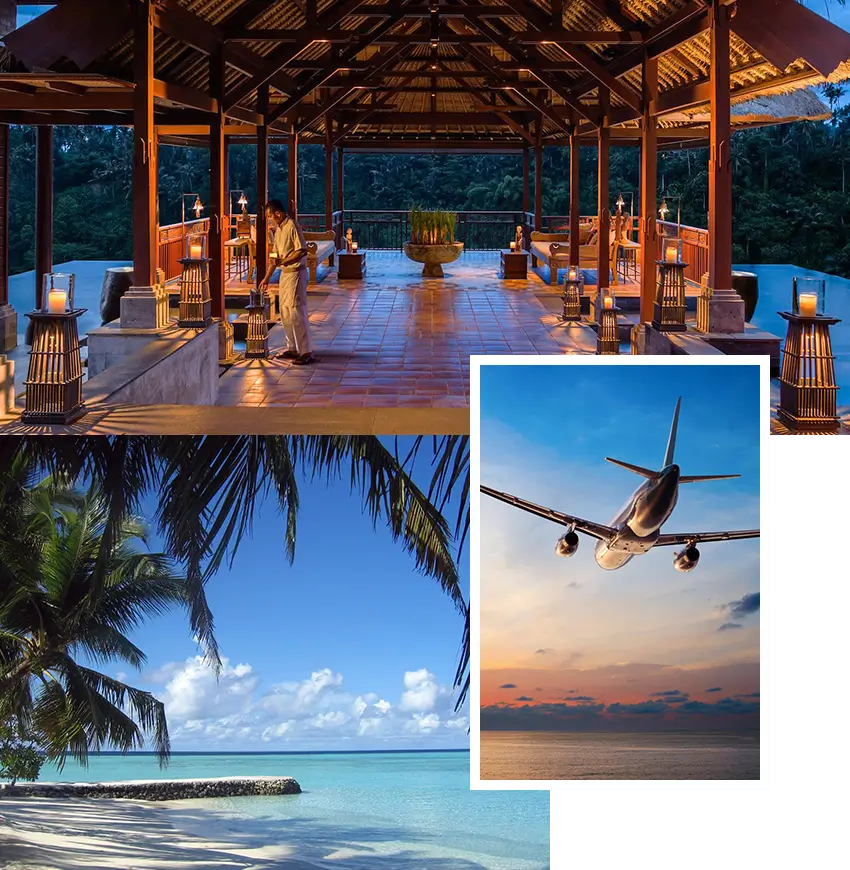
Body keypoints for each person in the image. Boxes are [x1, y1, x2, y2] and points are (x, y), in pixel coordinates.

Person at [259, 199, 314, 365]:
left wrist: (285, 262)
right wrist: (266, 278)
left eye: (270, 217)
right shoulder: (278, 230)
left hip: (296, 274)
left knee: (296, 311)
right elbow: (275, 258)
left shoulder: (292, 226)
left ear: (278, 213)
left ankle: (306, 351)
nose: (269, 220)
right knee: (284, 311)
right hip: (285, 274)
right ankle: (292, 347)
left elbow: (301, 250)